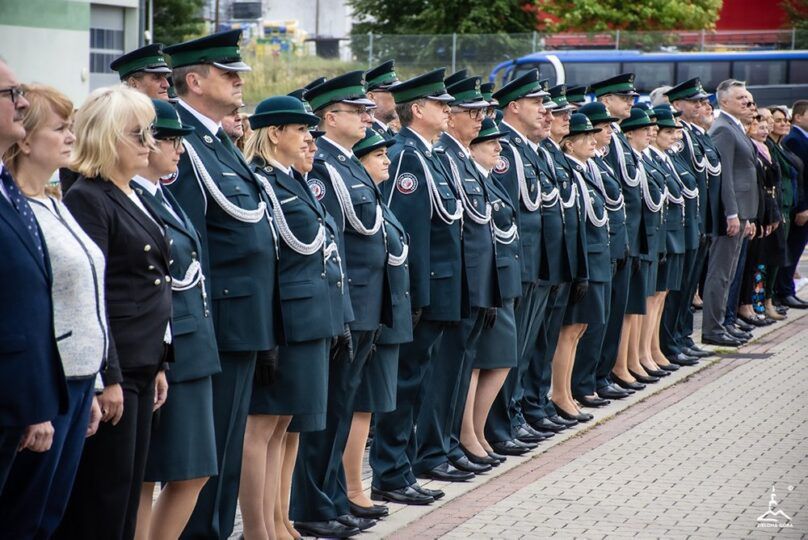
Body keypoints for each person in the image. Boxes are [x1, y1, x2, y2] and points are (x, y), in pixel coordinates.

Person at [163, 30, 280, 540]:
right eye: (227, 73)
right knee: (208, 456)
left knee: (228, 449)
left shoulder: (214, 141)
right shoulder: (185, 143)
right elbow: (190, 247)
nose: (238, 81)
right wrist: (201, 329)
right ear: (194, 81)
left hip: (245, 319)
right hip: (220, 321)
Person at [56, 85, 171, 539]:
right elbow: (94, 294)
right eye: (137, 134)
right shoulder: (89, 197)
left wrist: (159, 363)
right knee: (104, 499)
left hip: (142, 362)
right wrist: (109, 378)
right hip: (117, 367)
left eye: (150, 133)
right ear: (106, 137)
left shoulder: (131, 192)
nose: (149, 143)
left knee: (126, 495)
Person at [239, 95, 347, 539]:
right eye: (301, 130)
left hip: (308, 318)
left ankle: (280, 521)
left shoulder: (292, 180)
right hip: (284, 320)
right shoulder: (262, 181)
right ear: (275, 133)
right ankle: (258, 529)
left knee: (287, 426)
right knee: (263, 426)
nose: (309, 138)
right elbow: (264, 262)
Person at [292, 71, 391, 537]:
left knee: (342, 409)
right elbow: (331, 245)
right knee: (328, 413)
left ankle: (332, 499)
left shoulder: (346, 162)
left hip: (365, 303)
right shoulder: (325, 166)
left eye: (368, 110)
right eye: (357, 111)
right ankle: (314, 506)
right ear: (330, 117)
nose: (368, 117)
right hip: (347, 303)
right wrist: (342, 310)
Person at [0, 84, 100, 538]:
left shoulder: (53, 204)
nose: (71, 137)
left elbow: (86, 299)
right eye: (60, 128)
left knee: (49, 514)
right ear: (25, 141)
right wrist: (36, 399)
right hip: (43, 381)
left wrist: (97, 382)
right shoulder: (17, 210)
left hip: (75, 380)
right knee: (24, 516)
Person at [371, 68, 463, 505]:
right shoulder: (407, 156)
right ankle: (390, 473)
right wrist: (413, 296)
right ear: (419, 109)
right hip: (423, 292)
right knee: (405, 385)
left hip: (439, 290)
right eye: (440, 104)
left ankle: (404, 468)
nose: (448, 110)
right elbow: (407, 233)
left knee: (418, 384)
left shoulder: (430, 153)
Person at [131, 99, 219, 540]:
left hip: (191, 346)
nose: (179, 149)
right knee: (148, 475)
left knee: (194, 471)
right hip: (168, 351)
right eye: (169, 140)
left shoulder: (161, 194)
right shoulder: (130, 198)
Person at [414, 74, 499, 480]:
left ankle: (446, 444)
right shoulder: (441, 156)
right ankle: (434, 450)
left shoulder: (456, 156)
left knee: (457, 370)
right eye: (472, 112)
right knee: (441, 373)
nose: (481, 119)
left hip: (468, 282)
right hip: (450, 283)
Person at [483, 71, 556, 456]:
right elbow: (506, 215)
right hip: (520, 264)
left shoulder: (529, 149)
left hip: (535, 262)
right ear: (513, 106)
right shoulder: (507, 150)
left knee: (523, 349)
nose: (544, 110)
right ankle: (501, 425)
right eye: (536, 103)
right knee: (509, 352)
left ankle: (513, 416)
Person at [349, 128, 408, 518]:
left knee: (371, 404)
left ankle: (355, 488)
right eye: (377, 155)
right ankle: (352, 489)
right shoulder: (361, 197)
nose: (387, 160)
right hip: (367, 312)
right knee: (360, 405)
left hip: (384, 312)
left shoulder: (377, 199)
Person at [527, 84, 590, 428]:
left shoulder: (548, 154)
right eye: (555, 111)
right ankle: (528, 409)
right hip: (538, 264)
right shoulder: (535, 153)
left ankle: (537, 404)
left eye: (564, 113)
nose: (560, 117)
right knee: (531, 345)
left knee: (543, 341)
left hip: (555, 261)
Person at [460, 118, 518, 466]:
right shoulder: (472, 179)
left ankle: (478, 431)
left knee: (501, 359)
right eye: (489, 142)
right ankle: (469, 434)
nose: (498, 148)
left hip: (503, 279)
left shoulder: (490, 180)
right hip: (485, 282)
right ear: (471, 149)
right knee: (479, 362)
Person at [590, 74, 649, 394]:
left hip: (624, 239)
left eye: (631, 97)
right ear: (604, 100)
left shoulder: (617, 139)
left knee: (615, 314)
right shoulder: (602, 139)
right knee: (602, 316)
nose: (630, 102)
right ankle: (597, 376)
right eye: (624, 97)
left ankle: (605, 374)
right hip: (610, 241)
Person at [573, 102, 631, 404]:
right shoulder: (577, 167)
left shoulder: (597, 163)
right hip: (593, 253)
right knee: (589, 326)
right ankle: (584, 384)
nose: (606, 132)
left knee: (605, 321)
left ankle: (599, 377)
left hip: (608, 248)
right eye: (601, 128)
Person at [554, 113, 610, 420]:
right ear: (568, 144)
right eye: (584, 137)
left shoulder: (587, 170)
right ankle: (561, 394)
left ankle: (567, 392)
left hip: (596, 256)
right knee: (571, 328)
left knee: (582, 328)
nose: (592, 140)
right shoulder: (569, 172)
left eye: (592, 135)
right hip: (584, 258)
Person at [701, 79, 759, 347]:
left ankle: (723, 323)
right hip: (732, 212)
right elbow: (723, 175)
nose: (747, 102)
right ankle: (713, 329)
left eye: (747, 97)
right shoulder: (723, 128)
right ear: (723, 102)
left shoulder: (735, 126)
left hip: (743, 210)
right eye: (741, 98)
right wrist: (732, 213)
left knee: (730, 272)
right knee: (720, 272)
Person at [644, 107, 689, 375]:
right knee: (652, 297)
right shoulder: (649, 157)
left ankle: (653, 349)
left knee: (661, 296)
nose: (674, 136)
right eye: (667, 131)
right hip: (662, 234)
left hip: (671, 233)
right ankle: (646, 352)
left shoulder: (666, 158)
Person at [737, 110, 782, 326]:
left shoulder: (765, 148)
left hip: (766, 209)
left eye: (765, 126)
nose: (763, 130)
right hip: (754, 211)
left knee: (759, 262)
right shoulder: (751, 148)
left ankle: (756, 303)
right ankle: (746, 306)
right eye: (758, 125)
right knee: (749, 263)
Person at [767, 105, 802, 316]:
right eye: (778, 120)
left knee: (781, 256)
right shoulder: (769, 146)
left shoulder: (780, 146)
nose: (783, 124)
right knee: (773, 257)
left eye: (785, 120)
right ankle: (769, 299)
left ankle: (774, 297)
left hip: (788, 206)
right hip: (778, 208)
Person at [775, 100, 808, 308]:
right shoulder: (794, 139)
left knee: (794, 251)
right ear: (798, 116)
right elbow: (800, 178)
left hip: (800, 204)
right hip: (798, 207)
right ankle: (784, 291)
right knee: (791, 249)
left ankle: (787, 290)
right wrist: (803, 206)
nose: (783, 124)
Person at [365, 60, 399, 140]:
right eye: (393, 92)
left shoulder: (389, 132)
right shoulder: (367, 136)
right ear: (371, 97)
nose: (398, 97)